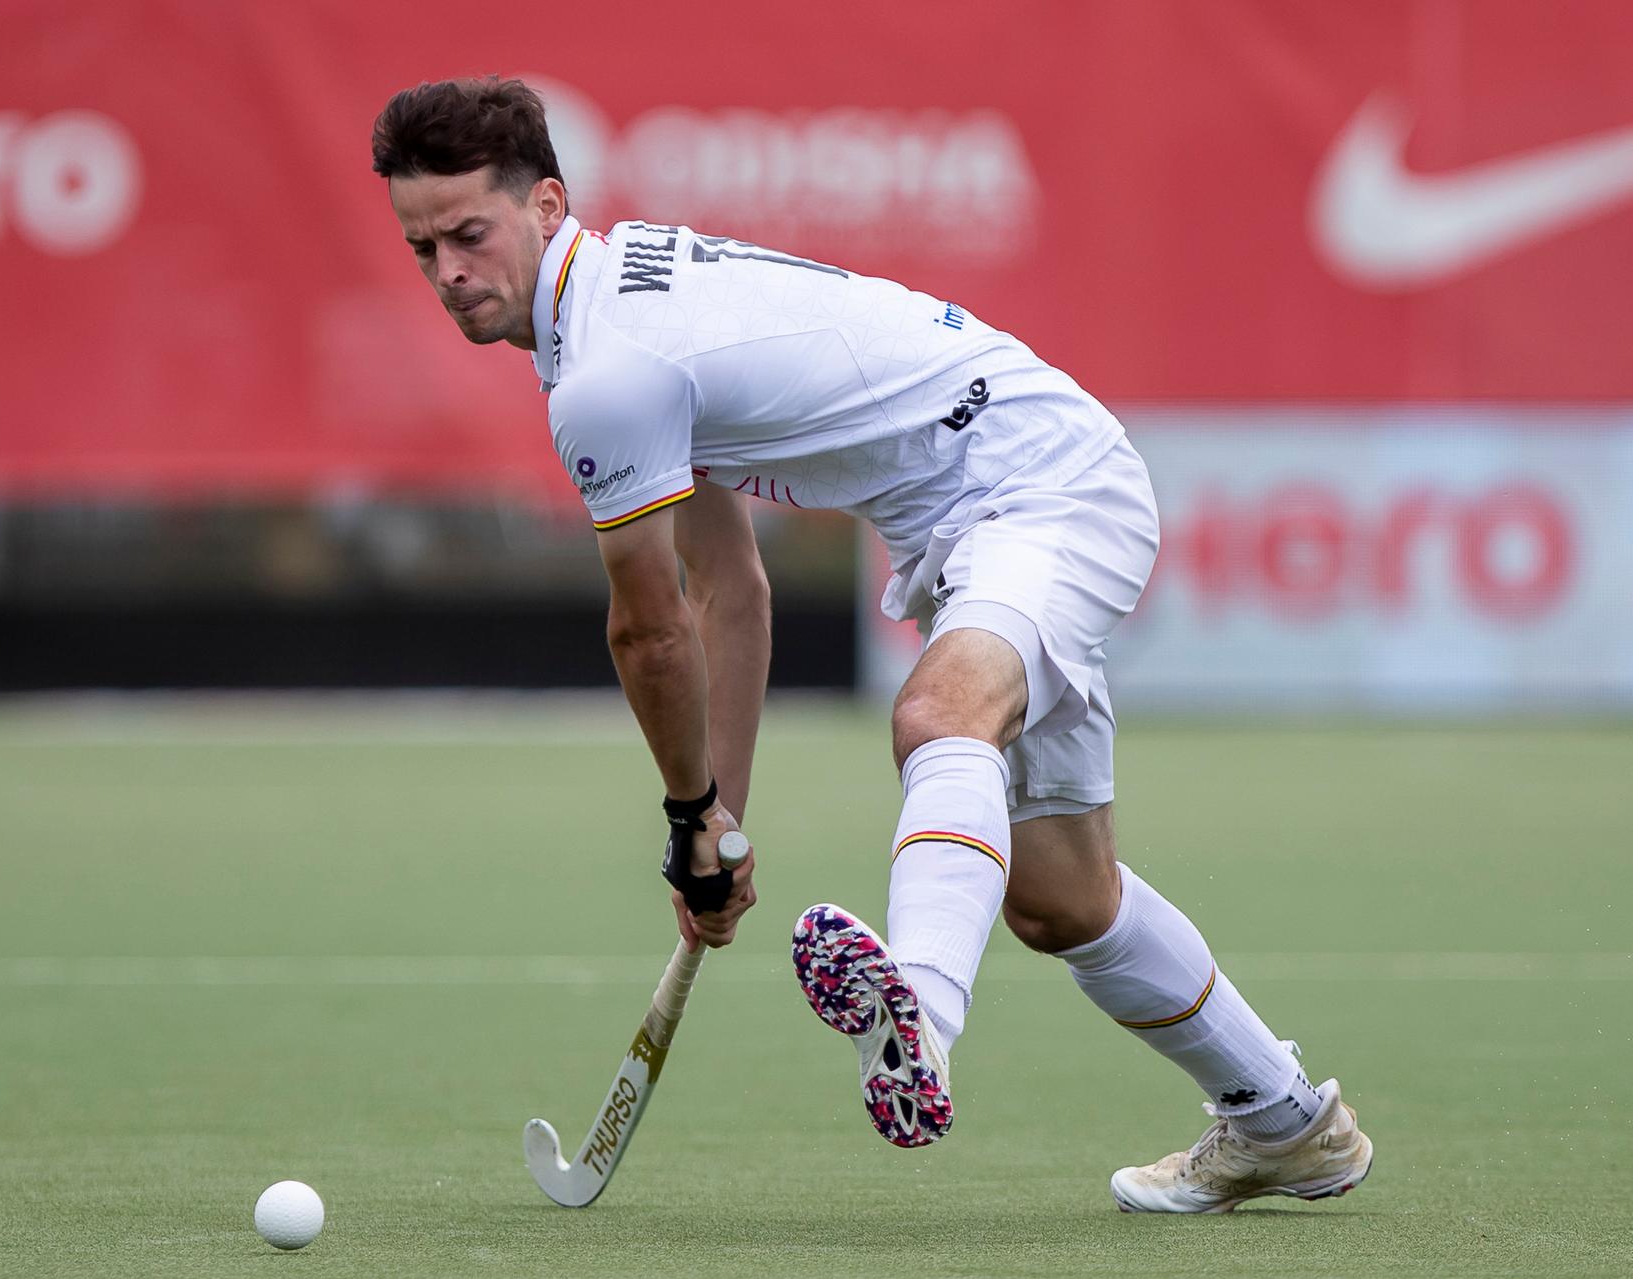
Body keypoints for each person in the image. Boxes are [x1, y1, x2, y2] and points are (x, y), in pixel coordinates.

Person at [371, 76, 1373, 1212]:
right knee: (1061, 898)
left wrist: (688, 814)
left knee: (938, 719)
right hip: (985, 513)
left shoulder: (605, 374)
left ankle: (923, 1022)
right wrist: (718, 829)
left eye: (469, 234)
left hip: (1041, 486)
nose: (450, 272)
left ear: (547, 204)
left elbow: (648, 629)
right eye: (423, 249)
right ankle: (1287, 1122)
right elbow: (729, 590)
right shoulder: (602, 315)